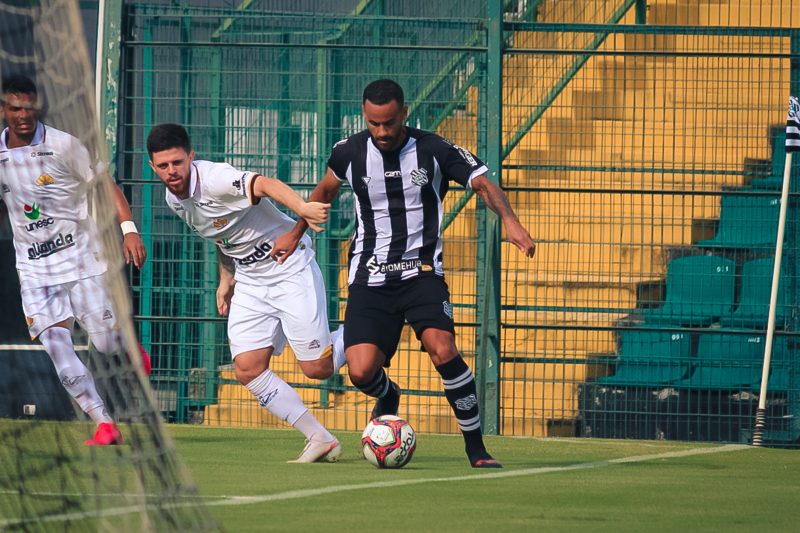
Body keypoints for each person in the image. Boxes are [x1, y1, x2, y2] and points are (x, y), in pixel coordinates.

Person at [276, 79, 536, 468]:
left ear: (404, 114)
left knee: (443, 349)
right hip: (370, 276)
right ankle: (388, 394)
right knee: (362, 371)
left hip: (422, 273)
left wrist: (511, 223)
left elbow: (482, 183)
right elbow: (325, 192)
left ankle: (476, 449)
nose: (381, 132)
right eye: (374, 124)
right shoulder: (349, 152)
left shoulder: (434, 149)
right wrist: (295, 233)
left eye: (389, 123)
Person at [146, 123, 347, 463]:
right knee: (248, 369)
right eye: (163, 166)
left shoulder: (216, 179)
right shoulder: (173, 199)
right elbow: (222, 237)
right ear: (152, 166)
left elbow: (263, 184)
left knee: (317, 369)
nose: (171, 172)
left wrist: (302, 207)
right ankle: (319, 437)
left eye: (177, 163)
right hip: (251, 281)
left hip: (289, 268)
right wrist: (226, 278)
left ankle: (363, 331)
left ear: (191, 157)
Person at [0, 74, 149, 445]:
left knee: (104, 344)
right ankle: (103, 421)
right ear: (3, 110)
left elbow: (106, 185)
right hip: (34, 270)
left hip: (82, 260)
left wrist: (128, 228)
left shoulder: (64, 146)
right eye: (15, 108)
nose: (23, 115)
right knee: (55, 343)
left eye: (29, 107)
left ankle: (129, 350)